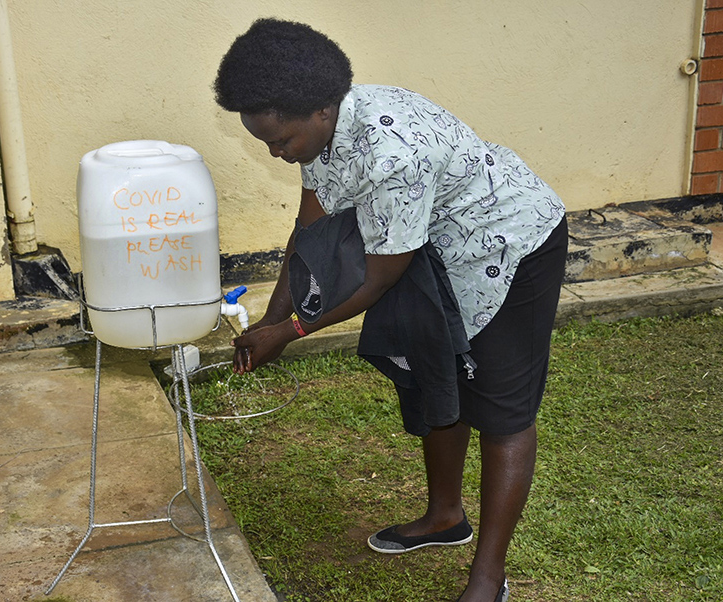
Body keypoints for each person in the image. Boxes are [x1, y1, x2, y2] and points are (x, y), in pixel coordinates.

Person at [213, 18, 567, 602]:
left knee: (502, 410)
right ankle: (444, 517)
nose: (277, 153)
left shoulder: (392, 153)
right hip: (435, 249)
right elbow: (309, 234)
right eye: (266, 143)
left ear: (322, 111)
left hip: (511, 244)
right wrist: (272, 319)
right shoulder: (321, 130)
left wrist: (294, 331)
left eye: (281, 140)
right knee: (439, 374)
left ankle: (488, 579)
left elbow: (378, 280)